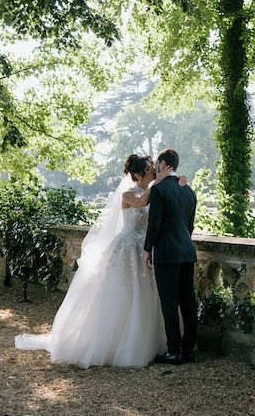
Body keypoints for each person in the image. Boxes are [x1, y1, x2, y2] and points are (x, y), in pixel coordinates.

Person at [14, 154, 187, 368]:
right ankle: (120, 345)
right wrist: (162, 180)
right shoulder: (128, 194)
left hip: (147, 249)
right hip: (127, 249)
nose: (154, 170)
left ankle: (162, 344)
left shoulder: (157, 190)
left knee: (152, 295)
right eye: (150, 168)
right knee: (125, 293)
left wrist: (177, 181)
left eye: (154, 167)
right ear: (137, 174)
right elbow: (142, 202)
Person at [144, 148, 198, 365]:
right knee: (188, 302)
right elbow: (190, 225)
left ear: (163, 164)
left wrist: (148, 248)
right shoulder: (189, 191)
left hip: (167, 253)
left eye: (157, 163)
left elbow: (154, 223)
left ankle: (173, 351)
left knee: (169, 302)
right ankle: (189, 351)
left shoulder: (159, 189)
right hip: (187, 252)